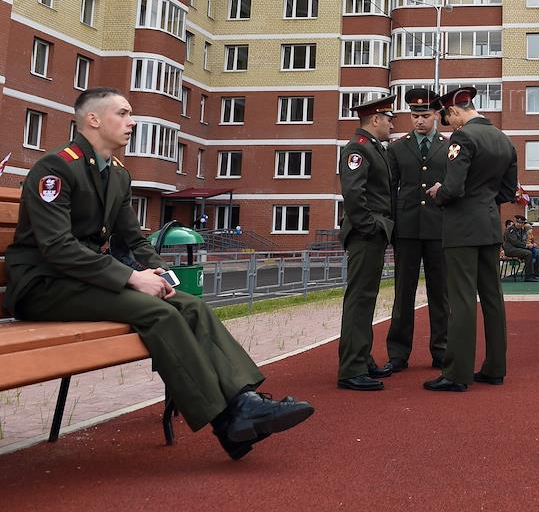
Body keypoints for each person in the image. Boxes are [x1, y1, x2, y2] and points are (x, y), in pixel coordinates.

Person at [4, 88, 312, 459]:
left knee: (190, 305)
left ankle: (244, 401)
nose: (132, 122)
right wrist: (132, 278)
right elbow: (57, 248)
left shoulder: (118, 174)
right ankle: (228, 422)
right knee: (158, 313)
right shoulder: (56, 169)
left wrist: (160, 272)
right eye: (123, 113)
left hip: (83, 281)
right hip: (42, 286)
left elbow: (133, 238)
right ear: (93, 119)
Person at [423, 86, 518, 392]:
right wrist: (484, 201)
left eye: (447, 118)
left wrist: (439, 192)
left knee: (462, 299)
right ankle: (495, 368)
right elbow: (507, 191)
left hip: (462, 228)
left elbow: (453, 189)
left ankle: (457, 373)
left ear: (454, 111)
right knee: (492, 298)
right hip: (488, 226)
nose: (448, 124)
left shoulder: (463, 138)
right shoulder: (503, 139)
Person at [383, 87, 450, 372]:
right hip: (407, 228)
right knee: (403, 293)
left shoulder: (450, 147)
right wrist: (391, 226)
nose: (419, 120)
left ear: (436, 115)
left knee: (440, 293)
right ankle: (398, 353)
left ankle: (442, 350)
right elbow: (390, 189)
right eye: (414, 116)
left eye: (425, 115)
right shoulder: (397, 148)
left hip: (439, 229)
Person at [336, 94, 396, 391]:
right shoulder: (358, 148)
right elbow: (353, 193)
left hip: (372, 232)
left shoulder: (372, 147)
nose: (391, 125)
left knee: (366, 298)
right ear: (375, 119)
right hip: (365, 234)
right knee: (360, 299)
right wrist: (370, 227)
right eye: (388, 120)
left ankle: (362, 357)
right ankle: (352, 368)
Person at [503, 218, 539, 282]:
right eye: (518, 222)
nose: (519, 224)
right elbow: (515, 242)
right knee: (528, 253)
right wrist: (526, 245)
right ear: (515, 222)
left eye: (521, 223)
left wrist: (529, 244)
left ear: (523, 224)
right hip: (510, 249)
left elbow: (523, 240)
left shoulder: (521, 230)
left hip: (517, 249)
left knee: (533, 252)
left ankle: (534, 274)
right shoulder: (511, 229)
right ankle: (528, 277)